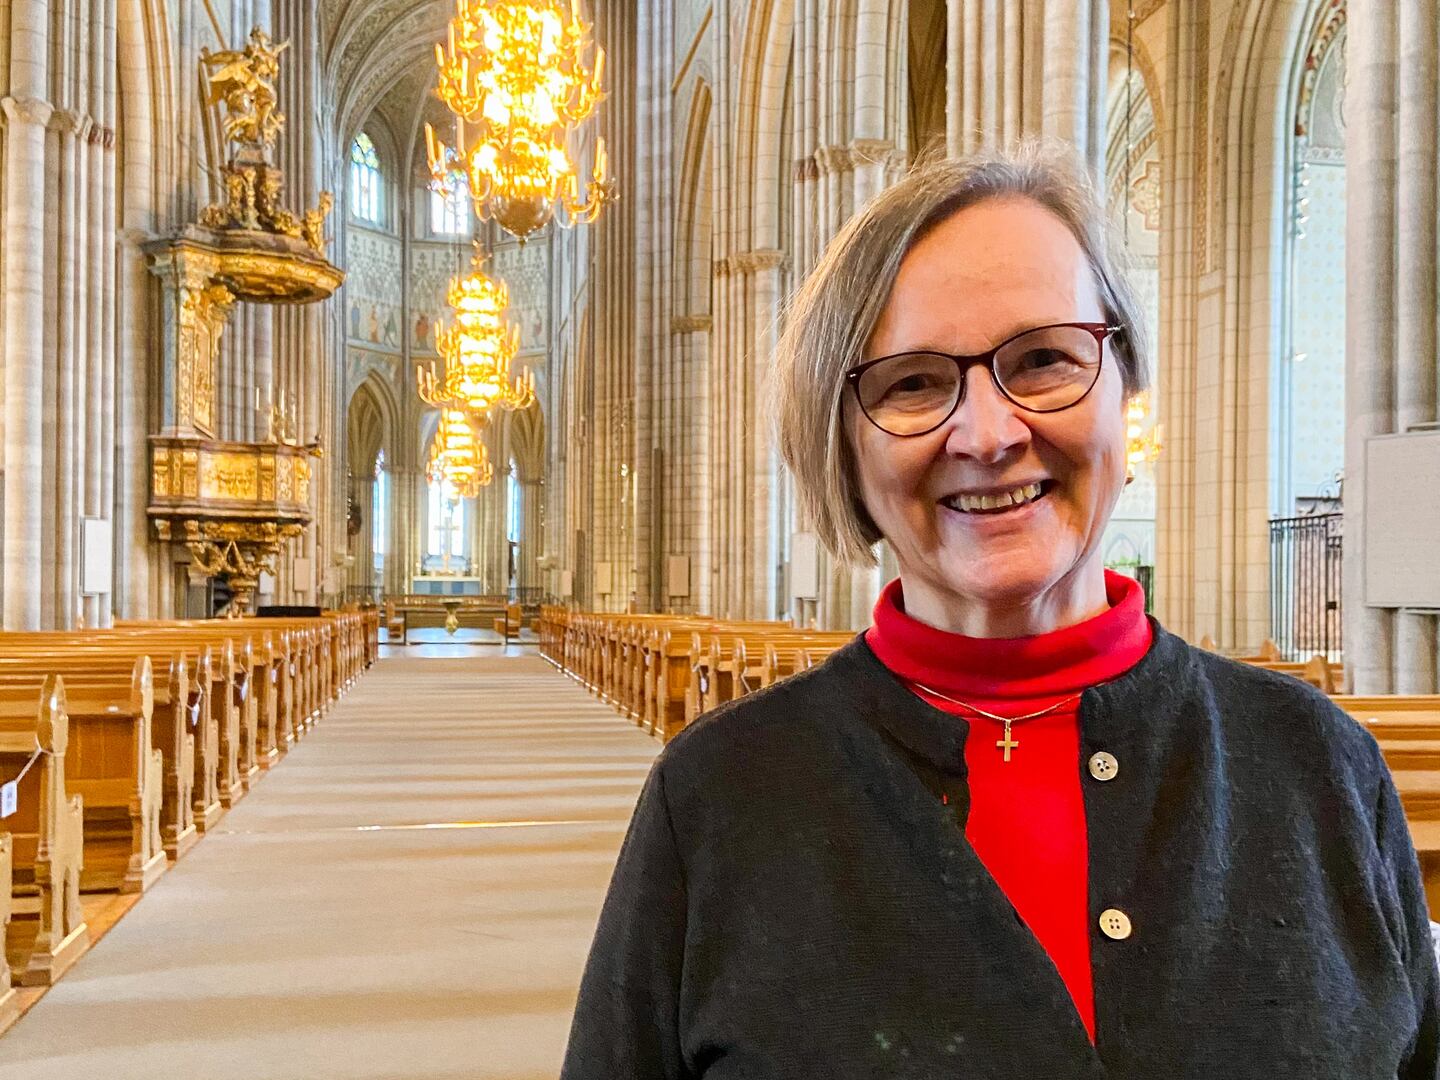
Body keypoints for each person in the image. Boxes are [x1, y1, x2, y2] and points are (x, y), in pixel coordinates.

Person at [560, 144, 1439, 1078]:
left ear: (1124, 394)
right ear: (841, 443)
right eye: (913, 383)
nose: (987, 433)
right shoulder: (719, 797)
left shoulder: (1322, 768)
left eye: (1045, 359)